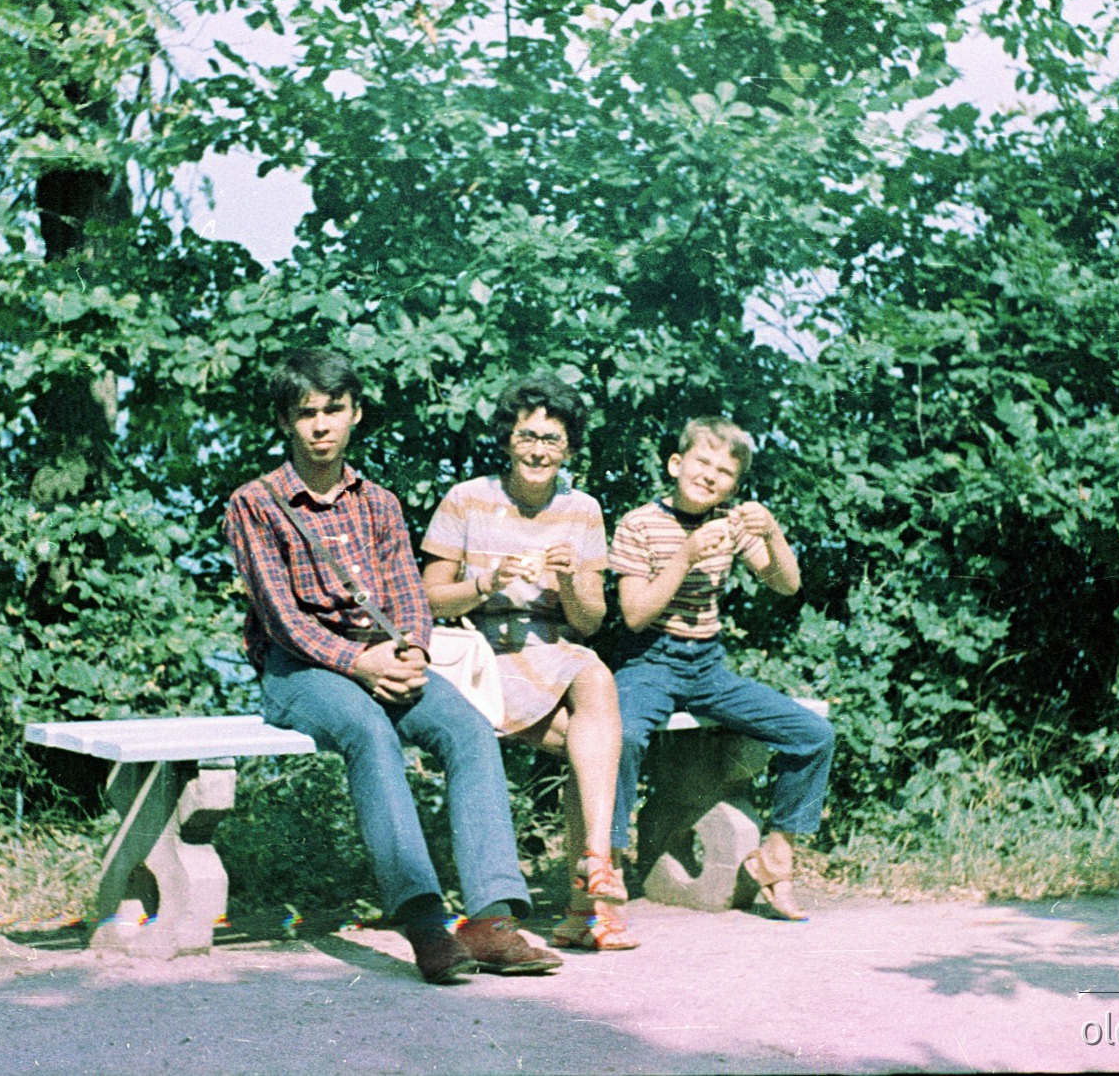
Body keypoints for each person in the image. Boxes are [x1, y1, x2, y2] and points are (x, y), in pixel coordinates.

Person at [223, 347, 562, 983]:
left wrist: (412, 652)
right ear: (285, 421)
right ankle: (426, 925)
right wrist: (361, 663)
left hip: (386, 658)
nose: (320, 426)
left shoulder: (378, 502)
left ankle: (490, 924)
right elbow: (282, 618)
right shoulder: (256, 503)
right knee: (369, 732)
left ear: (355, 413)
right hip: (302, 671)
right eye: (306, 413)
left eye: (333, 410)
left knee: (467, 729)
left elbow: (408, 592)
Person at [421, 375, 637, 951]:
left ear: (569, 448)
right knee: (595, 749)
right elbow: (428, 599)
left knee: (596, 676)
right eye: (527, 436)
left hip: (550, 650)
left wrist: (568, 580)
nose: (539, 451)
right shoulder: (467, 498)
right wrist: (486, 582)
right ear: (508, 439)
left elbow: (589, 621)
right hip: (481, 654)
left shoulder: (582, 510)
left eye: (552, 439)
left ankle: (594, 862)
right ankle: (587, 903)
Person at [608, 416, 836, 921]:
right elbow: (635, 614)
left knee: (813, 734)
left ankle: (775, 858)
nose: (710, 475)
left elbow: (787, 584)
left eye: (725, 472)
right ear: (676, 464)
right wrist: (686, 556)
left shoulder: (730, 522)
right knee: (619, 736)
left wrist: (771, 532)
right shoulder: (638, 523)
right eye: (702, 462)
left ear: (733, 486)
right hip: (648, 661)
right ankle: (608, 862)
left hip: (707, 666)